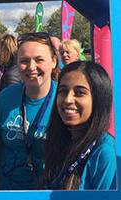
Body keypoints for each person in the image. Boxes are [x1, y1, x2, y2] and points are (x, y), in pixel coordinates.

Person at [0, 32, 60, 190]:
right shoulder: (5, 97)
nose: (31, 67)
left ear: (54, 62)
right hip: (8, 187)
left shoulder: (63, 100)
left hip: (49, 191)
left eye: (39, 60)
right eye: (24, 61)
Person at [43, 61, 116, 190]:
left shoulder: (105, 154)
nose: (67, 100)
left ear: (98, 98)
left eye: (80, 93)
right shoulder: (60, 140)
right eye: (63, 91)